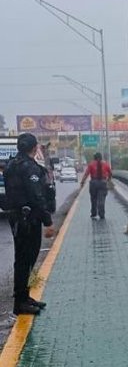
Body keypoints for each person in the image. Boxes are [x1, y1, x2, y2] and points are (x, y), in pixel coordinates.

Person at [4, 133, 55, 316]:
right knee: (27, 260)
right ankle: (20, 302)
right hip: (28, 220)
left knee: (23, 259)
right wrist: (48, 221)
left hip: (16, 217)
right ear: (35, 148)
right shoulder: (29, 167)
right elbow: (37, 196)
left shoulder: (11, 165)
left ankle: (24, 297)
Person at [82, 152, 112, 220]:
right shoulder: (106, 164)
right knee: (101, 199)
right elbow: (110, 173)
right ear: (101, 157)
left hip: (93, 183)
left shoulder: (91, 164)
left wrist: (82, 182)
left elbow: (86, 174)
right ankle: (101, 214)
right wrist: (108, 180)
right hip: (103, 183)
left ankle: (94, 213)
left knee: (93, 199)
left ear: (94, 157)